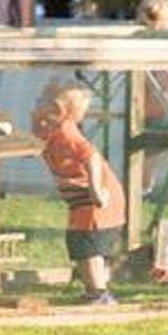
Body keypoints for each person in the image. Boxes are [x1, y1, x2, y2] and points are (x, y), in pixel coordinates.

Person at [32, 80, 126, 304]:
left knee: (87, 246)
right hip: (81, 201)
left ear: (57, 110)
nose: (35, 105)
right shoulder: (50, 130)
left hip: (94, 200)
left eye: (41, 102)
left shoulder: (66, 133)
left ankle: (99, 293)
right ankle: (95, 289)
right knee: (81, 244)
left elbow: (91, 156)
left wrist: (96, 190)